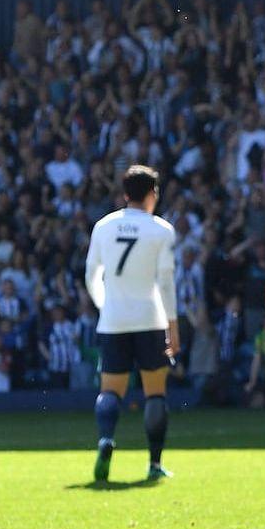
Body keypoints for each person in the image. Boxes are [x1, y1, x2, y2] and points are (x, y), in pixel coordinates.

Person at [84, 165, 179, 482]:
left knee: (110, 391)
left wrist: (104, 305)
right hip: (149, 319)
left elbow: (91, 275)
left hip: (114, 319)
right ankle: (153, 463)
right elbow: (165, 283)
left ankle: (106, 440)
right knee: (155, 394)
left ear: (125, 194)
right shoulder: (161, 230)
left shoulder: (104, 226)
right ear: (152, 194)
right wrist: (172, 327)